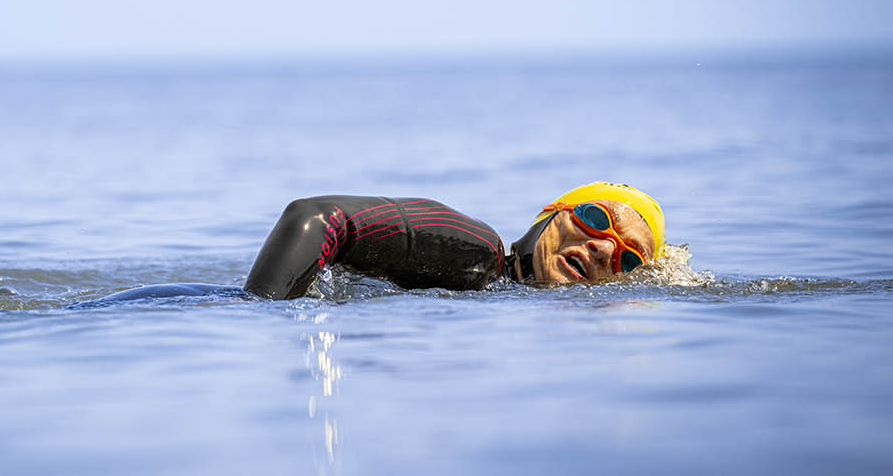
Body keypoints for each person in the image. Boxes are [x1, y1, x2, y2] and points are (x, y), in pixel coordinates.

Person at [242, 181, 665, 299]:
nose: (603, 248)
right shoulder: (474, 251)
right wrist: (264, 318)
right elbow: (317, 217)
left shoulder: (500, 296)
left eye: (627, 260)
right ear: (550, 214)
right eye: (595, 219)